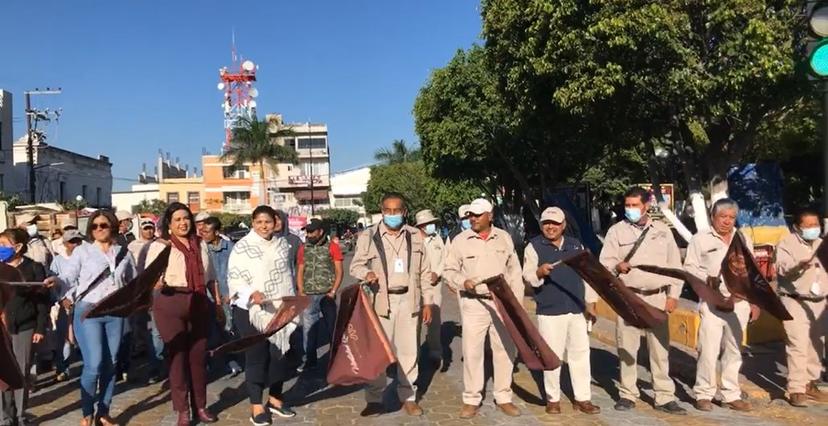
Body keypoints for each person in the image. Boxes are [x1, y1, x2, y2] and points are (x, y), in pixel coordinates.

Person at [599, 187, 686, 414]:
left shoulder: (662, 231)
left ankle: (664, 396)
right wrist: (617, 266)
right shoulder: (616, 232)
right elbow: (604, 265)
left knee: (660, 350)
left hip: (656, 297)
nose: (630, 210)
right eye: (627, 205)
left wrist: (673, 295)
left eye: (634, 205)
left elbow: (675, 266)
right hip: (628, 297)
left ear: (646, 205)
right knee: (627, 349)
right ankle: (628, 394)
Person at [349, 192, 434, 417]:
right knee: (378, 352)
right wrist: (366, 273)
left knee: (409, 352)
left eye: (397, 211)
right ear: (382, 210)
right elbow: (355, 266)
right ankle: (374, 399)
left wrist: (428, 302)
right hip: (381, 301)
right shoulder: (369, 235)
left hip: (410, 300)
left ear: (404, 212)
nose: (393, 214)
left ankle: (408, 397)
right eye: (388, 210)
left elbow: (425, 271)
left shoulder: (415, 235)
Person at [443, 198, 523, 419]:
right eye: (470, 215)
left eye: (478, 215)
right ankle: (471, 399)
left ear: (490, 215)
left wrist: (516, 305)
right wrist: (462, 281)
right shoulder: (460, 241)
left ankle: (503, 397)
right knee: (472, 352)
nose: (473, 218)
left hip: (501, 302)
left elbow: (514, 272)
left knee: (504, 349)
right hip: (474, 303)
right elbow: (448, 270)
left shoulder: (504, 238)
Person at [56, 211, 137, 426]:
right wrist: (55, 282)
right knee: (94, 364)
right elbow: (68, 275)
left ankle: (103, 412)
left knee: (111, 363)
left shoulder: (124, 253)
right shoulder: (83, 251)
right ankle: (86, 412)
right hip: (88, 311)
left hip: (115, 312)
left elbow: (133, 282)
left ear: (113, 227)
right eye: (95, 226)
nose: (99, 229)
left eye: (104, 225)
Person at [145, 203, 218, 425]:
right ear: (169, 224)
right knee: (177, 359)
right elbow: (150, 280)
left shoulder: (200, 244)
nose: (183, 223)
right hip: (171, 303)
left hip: (198, 302)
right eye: (177, 219)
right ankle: (182, 410)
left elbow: (211, 277)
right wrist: (158, 282)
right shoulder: (160, 247)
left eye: (185, 218)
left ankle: (201, 406)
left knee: (198, 359)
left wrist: (218, 304)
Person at [522, 207, 601, 415]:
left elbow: (589, 275)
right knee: (551, 356)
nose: (550, 227)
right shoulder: (534, 246)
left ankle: (583, 398)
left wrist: (591, 302)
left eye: (555, 223)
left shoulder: (576, 245)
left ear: (563, 225)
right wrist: (539, 272)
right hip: (549, 310)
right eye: (547, 223)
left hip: (576, 308)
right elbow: (528, 276)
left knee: (580, 354)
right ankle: (553, 398)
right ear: (541, 225)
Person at [684, 198, 759, 412]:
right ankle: (704, 393)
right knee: (708, 350)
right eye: (722, 217)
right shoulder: (700, 239)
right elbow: (689, 268)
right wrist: (707, 278)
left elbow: (751, 272)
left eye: (731, 217)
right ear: (713, 217)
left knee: (734, 351)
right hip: (712, 302)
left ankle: (730, 394)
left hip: (739, 302)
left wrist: (754, 302)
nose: (726, 221)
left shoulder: (742, 238)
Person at [228, 206, 299, 426]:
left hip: (279, 308)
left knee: (280, 355)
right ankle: (256, 405)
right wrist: (251, 293)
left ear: (275, 222)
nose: (263, 226)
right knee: (257, 357)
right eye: (259, 222)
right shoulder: (242, 247)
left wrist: (290, 300)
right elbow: (235, 278)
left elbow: (287, 275)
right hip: (251, 311)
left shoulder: (283, 245)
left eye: (267, 221)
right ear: (252, 222)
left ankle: (276, 399)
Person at [775, 208, 828, 406]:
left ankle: (810, 383)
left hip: (819, 302)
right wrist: (799, 265)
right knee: (797, 345)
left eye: (816, 225)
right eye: (808, 226)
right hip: (795, 300)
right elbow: (782, 268)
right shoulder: (786, 244)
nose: (813, 229)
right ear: (797, 227)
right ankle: (796, 388)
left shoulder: (823, 245)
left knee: (817, 344)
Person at [0, 228, 50, 426]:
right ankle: (5, 417)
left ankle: (20, 415)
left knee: (21, 372)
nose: (0, 248)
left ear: (18, 247)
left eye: (4, 245)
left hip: (26, 326)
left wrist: (40, 328)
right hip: (2, 328)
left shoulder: (34, 268)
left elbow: (42, 301)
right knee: (3, 373)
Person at [296, 218, 343, 372]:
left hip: (327, 295)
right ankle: (310, 360)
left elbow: (339, 270)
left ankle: (335, 359)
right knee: (308, 329)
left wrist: (333, 291)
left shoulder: (332, 247)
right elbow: (301, 270)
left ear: (320, 231)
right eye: (307, 231)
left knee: (332, 328)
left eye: (311, 231)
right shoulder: (304, 248)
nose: (308, 234)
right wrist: (301, 290)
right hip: (309, 294)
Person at [202, 216, 243, 377]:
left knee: (228, 331)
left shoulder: (231, 248)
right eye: (202, 231)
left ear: (217, 232)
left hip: (227, 297)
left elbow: (238, 272)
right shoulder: (202, 249)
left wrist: (232, 293)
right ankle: (208, 364)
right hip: (207, 296)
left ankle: (233, 363)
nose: (204, 234)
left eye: (207, 231)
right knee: (208, 332)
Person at [127, 219, 165, 383]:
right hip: (137, 292)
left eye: (151, 228)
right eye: (146, 228)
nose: (149, 231)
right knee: (137, 328)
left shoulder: (161, 245)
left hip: (155, 290)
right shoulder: (132, 246)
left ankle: (155, 366)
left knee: (156, 331)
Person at [48, 229, 85, 382]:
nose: (75, 244)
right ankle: (62, 368)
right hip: (65, 304)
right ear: (65, 244)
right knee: (63, 337)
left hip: (83, 301)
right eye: (72, 242)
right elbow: (53, 284)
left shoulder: (87, 258)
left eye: (78, 241)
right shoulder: (58, 261)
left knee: (84, 337)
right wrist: (61, 299)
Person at [414, 209, 446, 363]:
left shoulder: (437, 239)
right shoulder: (413, 241)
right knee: (415, 321)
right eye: (429, 224)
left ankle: (435, 350)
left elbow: (445, 259)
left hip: (435, 285)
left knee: (435, 320)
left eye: (432, 223)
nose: (432, 226)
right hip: (417, 287)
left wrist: (437, 273)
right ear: (421, 226)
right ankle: (414, 355)